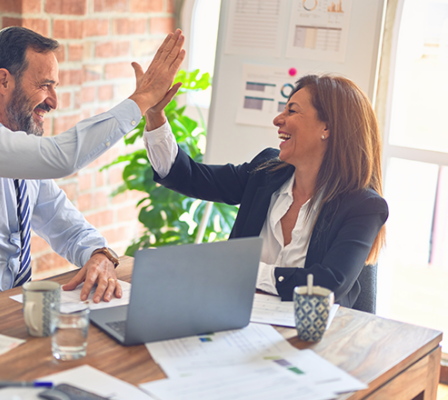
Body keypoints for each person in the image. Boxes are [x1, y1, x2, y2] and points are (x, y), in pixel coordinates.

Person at [0, 26, 185, 314]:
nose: (54, 101)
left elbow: (68, 227)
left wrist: (99, 254)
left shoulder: (23, 162)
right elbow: (60, 158)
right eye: (44, 85)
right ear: (3, 81)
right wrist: (141, 101)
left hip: (0, 322)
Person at [142, 74, 388, 308]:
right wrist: (155, 116)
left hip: (314, 339)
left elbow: (327, 285)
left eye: (291, 110)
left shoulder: (363, 206)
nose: (278, 119)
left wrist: (243, 270)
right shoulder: (265, 172)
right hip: (238, 319)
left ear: (327, 128)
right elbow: (189, 177)